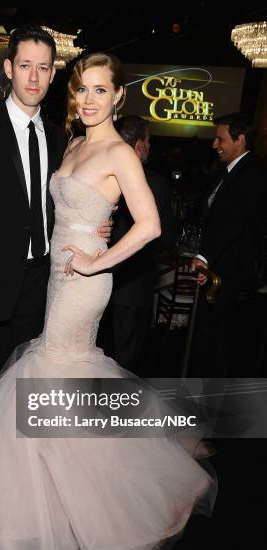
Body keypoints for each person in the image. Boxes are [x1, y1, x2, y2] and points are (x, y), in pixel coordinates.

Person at [0, 51, 216, 550]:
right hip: (57, 278)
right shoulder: (76, 141)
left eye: (99, 90)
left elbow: (151, 226)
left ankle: (97, 509)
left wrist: (94, 259)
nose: (88, 99)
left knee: (45, 381)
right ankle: (63, 506)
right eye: (81, 89)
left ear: (118, 97)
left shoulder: (118, 152)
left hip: (85, 283)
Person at [0, 24, 113, 504]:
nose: (34, 76)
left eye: (44, 67)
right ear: (9, 69)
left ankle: (9, 464)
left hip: (40, 283)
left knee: (19, 384)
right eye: (25, 65)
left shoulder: (60, 138)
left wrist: (96, 227)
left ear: (53, 75)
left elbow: (69, 203)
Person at [190, 113, 267, 377]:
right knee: (208, 338)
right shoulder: (230, 172)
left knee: (220, 342)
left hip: (231, 272)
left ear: (240, 139)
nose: (215, 144)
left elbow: (235, 223)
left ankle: (213, 406)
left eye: (220, 138)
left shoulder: (253, 174)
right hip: (217, 269)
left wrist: (205, 256)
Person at [102, 115, 176, 371]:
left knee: (97, 353)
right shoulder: (154, 182)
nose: (150, 147)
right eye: (149, 140)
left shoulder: (101, 173)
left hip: (97, 281)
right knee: (125, 357)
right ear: (139, 145)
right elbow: (165, 237)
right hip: (133, 283)